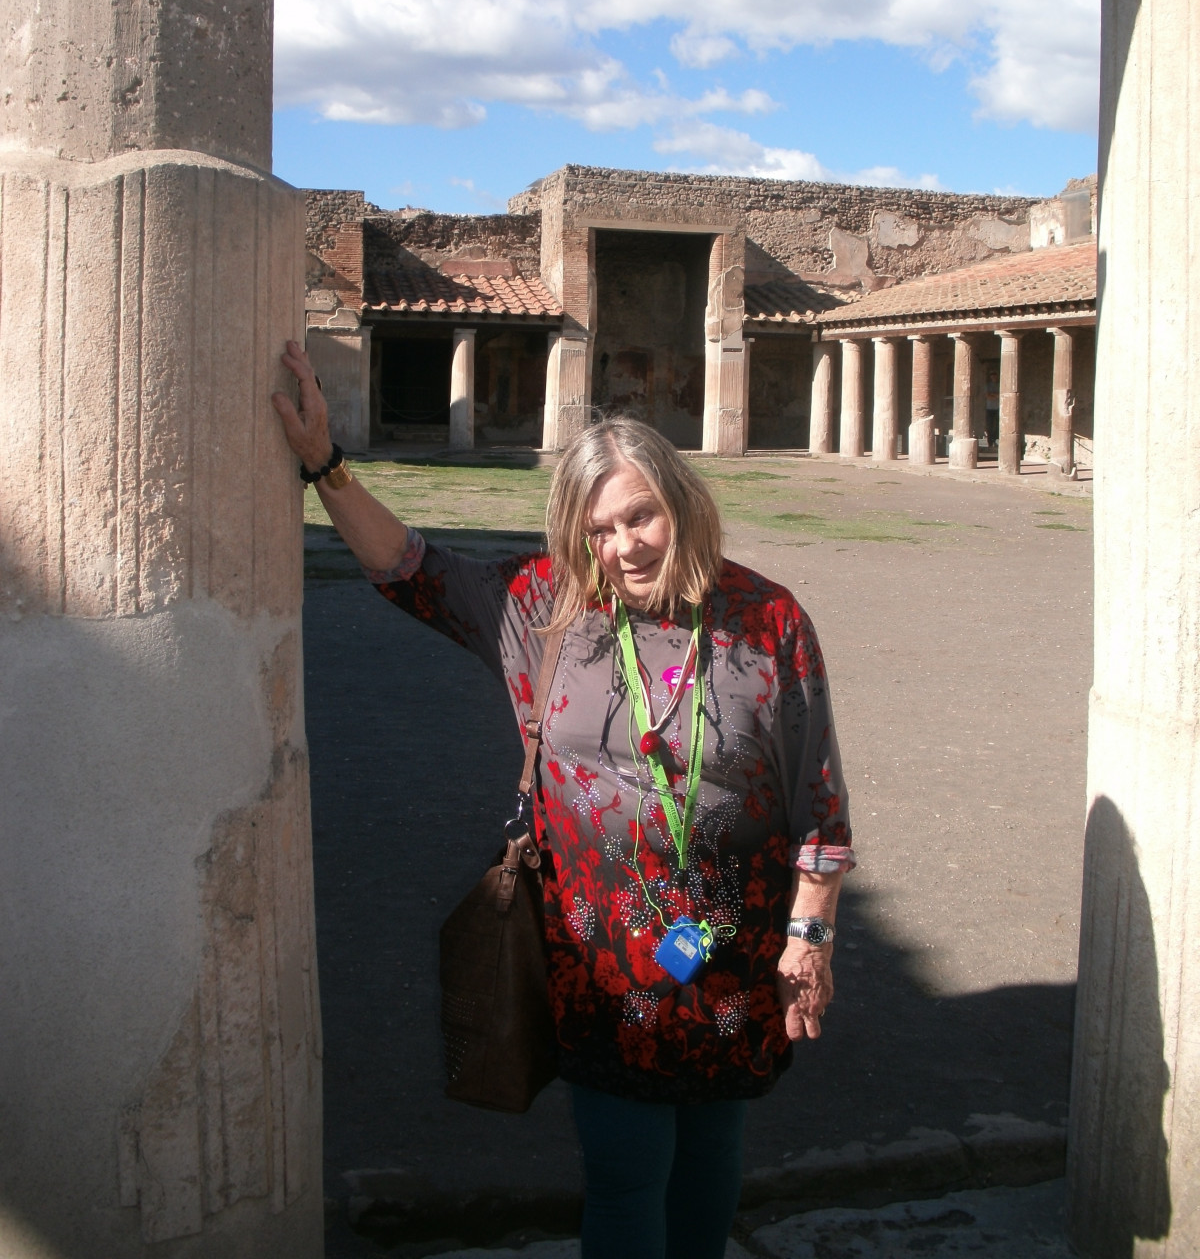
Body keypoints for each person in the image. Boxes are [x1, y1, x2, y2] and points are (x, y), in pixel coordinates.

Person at [272, 339, 855, 1259]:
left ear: (682, 504)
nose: (622, 547)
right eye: (598, 530)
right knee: (626, 1179)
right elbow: (408, 567)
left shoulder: (767, 618)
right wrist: (325, 466)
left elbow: (819, 798)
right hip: (601, 960)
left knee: (710, 1162)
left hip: (734, 953)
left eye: (640, 517)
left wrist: (810, 936)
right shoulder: (543, 608)